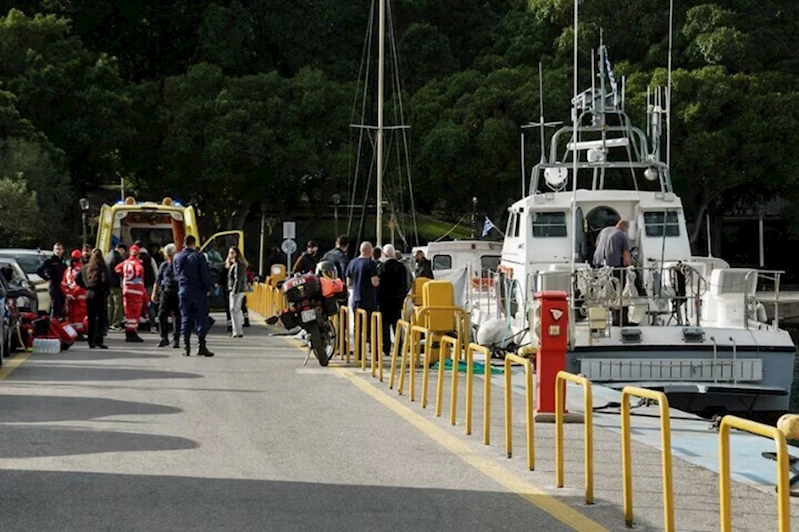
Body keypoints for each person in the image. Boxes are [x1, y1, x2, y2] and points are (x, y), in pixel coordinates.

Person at [173, 235, 214, 357]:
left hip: (183, 291)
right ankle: (201, 346)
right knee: (201, 319)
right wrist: (208, 288)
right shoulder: (199, 256)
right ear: (194, 243)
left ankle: (186, 347)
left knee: (185, 319)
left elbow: (176, 275)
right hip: (198, 292)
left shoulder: (177, 257)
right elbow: (205, 275)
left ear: (184, 243)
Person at [377, 244, 408, 357]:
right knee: (397, 324)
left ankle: (386, 348)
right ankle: (398, 348)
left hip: (384, 301)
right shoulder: (402, 268)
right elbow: (406, 284)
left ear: (385, 254)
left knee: (385, 326)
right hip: (397, 301)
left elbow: (379, 285)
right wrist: (402, 296)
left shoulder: (382, 267)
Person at [346, 241, 380, 342]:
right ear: (370, 251)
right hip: (369, 300)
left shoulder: (352, 263)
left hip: (355, 298)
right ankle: (373, 350)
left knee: (358, 326)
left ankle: (359, 351)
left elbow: (348, 283)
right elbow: (374, 282)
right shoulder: (371, 264)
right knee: (371, 326)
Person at [115, 245, 147, 343]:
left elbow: (116, 268)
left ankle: (128, 332)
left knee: (128, 311)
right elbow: (139, 271)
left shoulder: (125, 262)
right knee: (135, 312)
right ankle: (132, 333)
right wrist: (137, 276)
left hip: (126, 289)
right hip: (135, 290)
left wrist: (123, 275)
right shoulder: (137, 263)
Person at [153, 244, 181, 348]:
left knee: (177, 316)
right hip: (166, 291)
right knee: (161, 314)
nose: (169, 257)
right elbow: (158, 280)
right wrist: (154, 293)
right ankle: (164, 337)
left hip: (177, 291)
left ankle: (176, 339)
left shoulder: (179, 265)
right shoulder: (163, 265)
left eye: (170, 254)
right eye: (167, 254)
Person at [80, 249, 109, 349]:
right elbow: (105, 280)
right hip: (99, 293)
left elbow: (76, 278)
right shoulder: (102, 267)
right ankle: (99, 340)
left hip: (88, 293)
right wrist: (106, 290)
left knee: (91, 318)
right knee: (100, 317)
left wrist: (85, 285)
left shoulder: (85, 267)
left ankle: (90, 341)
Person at [37, 243, 68, 320]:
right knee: (54, 304)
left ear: (62, 250)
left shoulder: (63, 261)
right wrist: (47, 278)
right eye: (56, 249)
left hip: (62, 285)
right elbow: (39, 270)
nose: (58, 251)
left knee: (62, 305)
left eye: (59, 249)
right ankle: (52, 321)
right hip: (54, 285)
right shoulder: (49, 261)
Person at [61, 250, 88, 337]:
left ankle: (71, 333)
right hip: (79, 296)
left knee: (70, 315)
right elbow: (80, 284)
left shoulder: (68, 270)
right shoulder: (82, 269)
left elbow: (63, 283)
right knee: (79, 316)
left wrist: (67, 293)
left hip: (69, 296)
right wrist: (74, 294)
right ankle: (78, 333)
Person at [135, 240, 159, 333]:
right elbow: (156, 273)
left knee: (137, 305)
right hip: (149, 285)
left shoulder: (134, 259)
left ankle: (135, 326)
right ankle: (152, 326)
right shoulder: (150, 259)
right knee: (149, 305)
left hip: (137, 285)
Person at [226, 246, 248, 338]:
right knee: (236, 310)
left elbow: (237, 279)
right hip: (239, 290)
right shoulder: (236, 264)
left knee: (234, 309)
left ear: (237, 254)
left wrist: (234, 291)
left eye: (232, 253)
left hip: (237, 290)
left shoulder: (238, 265)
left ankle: (237, 331)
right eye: (230, 252)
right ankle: (238, 331)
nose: (230, 255)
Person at [105, 243, 127, 329]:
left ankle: (109, 321)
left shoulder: (107, 256)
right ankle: (116, 322)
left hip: (107, 283)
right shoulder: (118, 258)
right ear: (121, 249)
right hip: (116, 284)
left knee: (109, 304)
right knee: (118, 304)